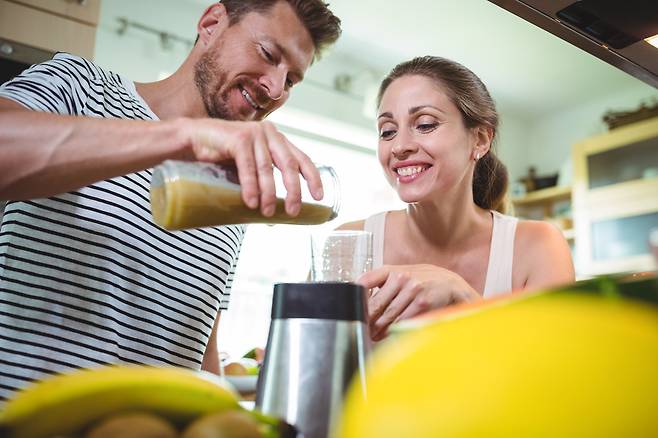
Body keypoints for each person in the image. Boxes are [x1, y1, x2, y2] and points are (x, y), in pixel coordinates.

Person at [0, 0, 341, 402]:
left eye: (292, 81)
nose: (275, 88)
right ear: (212, 23)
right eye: (268, 55)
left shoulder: (233, 185)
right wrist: (186, 139)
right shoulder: (81, 86)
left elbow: (198, 343)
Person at [339, 56, 574, 341]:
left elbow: (555, 374)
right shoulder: (349, 242)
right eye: (387, 131)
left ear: (480, 140)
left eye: (425, 124)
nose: (399, 146)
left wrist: (460, 294)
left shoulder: (537, 246)